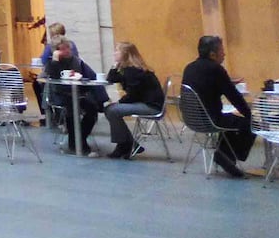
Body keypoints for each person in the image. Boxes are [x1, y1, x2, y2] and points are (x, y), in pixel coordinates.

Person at [182, 34, 255, 177]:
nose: (225, 54)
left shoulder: (189, 68)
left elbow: (205, 87)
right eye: (222, 51)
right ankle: (232, 155)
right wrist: (250, 115)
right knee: (250, 122)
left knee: (231, 121)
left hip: (191, 119)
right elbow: (234, 97)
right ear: (213, 54)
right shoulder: (216, 69)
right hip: (211, 120)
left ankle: (224, 156)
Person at [103, 41, 164, 160]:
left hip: (151, 106)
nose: (114, 53)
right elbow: (111, 79)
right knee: (110, 109)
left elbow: (133, 95)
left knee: (112, 110)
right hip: (144, 103)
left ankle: (124, 145)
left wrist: (120, 102)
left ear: (125, 54)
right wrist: (115, 65)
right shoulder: (128, 69)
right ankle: (129, 144)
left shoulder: (133, 70)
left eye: (117, 51)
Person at [45, 38, 104, 154]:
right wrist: (55, 60)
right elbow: (53, 78)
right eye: (63, 49)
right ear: (56, 51)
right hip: (60, 94)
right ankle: (75, 142)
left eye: (68, 47)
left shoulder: (76, 61)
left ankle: (80, 139)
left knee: (92, 108)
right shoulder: (52, 63)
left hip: (78, 93)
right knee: (71, 109)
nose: (67, 50)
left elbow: (87, 75)